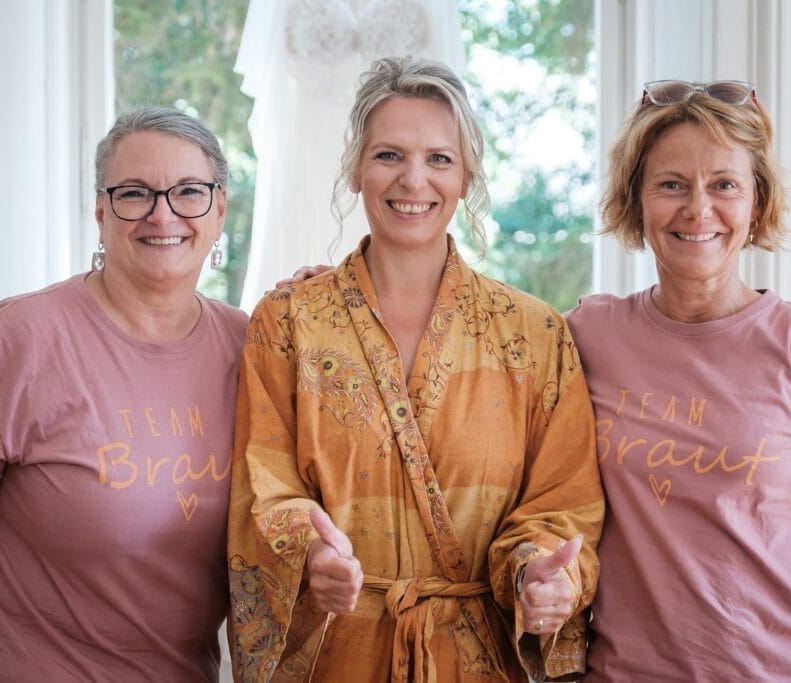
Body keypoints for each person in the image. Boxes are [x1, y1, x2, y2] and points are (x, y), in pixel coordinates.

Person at [226, 56, 604, 682]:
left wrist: (546, 574)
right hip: (338, 657)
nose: (412, 180)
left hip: (475, 662)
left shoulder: (534, 335)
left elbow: (563, 504)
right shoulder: (288, 322)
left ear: (466, 177)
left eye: (439, 159)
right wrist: (311, 552)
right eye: (388, 155)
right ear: (355, 168)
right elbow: (263, 485)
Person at [565, 79, 791, 681]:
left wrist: (790, 582)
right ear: (638, 200)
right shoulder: (589, 332)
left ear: (756, 203)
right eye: (671, 184)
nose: (698, 209)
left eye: (724, 184)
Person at [0, 107, 249, 680]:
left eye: (188, 191)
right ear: (101, 211)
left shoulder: (255, 349)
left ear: (219, 209)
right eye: (135, 193)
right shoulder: (14, 346)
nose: (163, 214)